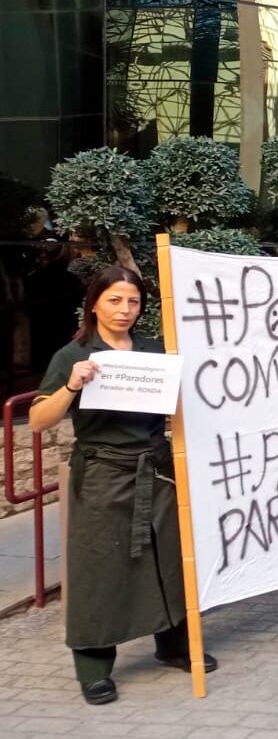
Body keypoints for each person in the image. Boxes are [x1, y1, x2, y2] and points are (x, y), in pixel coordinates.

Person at [28, 266, 217, 705]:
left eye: (133, 301)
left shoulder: (155, 353)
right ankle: (93, 666)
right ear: (94, 303)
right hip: (102, 475)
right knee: (100, 570)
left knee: (169, 559)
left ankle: (173, 645)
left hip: (156, 468)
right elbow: (38, 421)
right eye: (115, 300)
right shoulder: (73, 354)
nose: (124, 310)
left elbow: (179, 410)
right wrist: (72, 386)